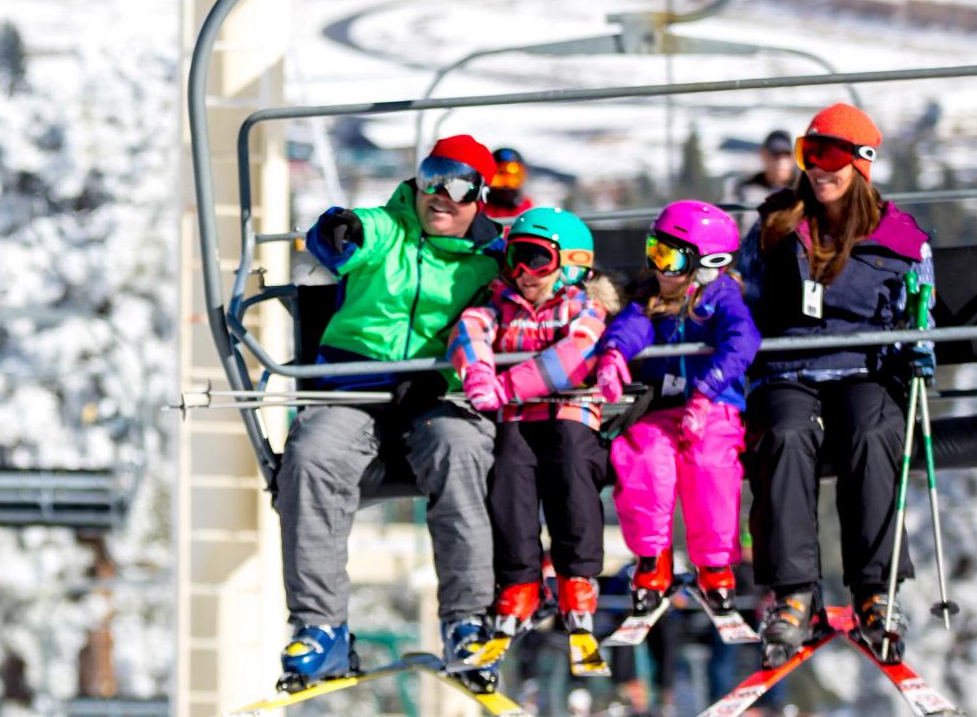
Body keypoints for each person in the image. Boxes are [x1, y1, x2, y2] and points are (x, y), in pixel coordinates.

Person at [276, 135, 506, 689]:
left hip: (439, 394)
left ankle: (467, 622)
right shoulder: (389, 227)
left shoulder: (491, 258)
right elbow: (347, 237)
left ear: (478, 195)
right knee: (309, 458)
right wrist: (339, 230)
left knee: (463, 450)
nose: (439, 196)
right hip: (356, 386)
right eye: (431, 179)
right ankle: (321, 627)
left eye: (455, 185)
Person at [739, 103, 934, 665]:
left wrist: (918, 350)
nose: (818, 169)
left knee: (871, 432)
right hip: (788, 369)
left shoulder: (899, 237)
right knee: (783, 433)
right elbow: (746, 302)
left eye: (830, 156)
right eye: (810, 155)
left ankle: (875, 588)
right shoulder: (776, 224)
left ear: (861, 163)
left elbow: (920, 312)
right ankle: (794, 593)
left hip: (864, 368)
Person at [447, 206, 618, 644]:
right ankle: (519, 582)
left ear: (570, 265)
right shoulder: (499, 302)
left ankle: (576, 578)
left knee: (572, 466)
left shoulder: (585, 306)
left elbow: (576, 356)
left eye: (536, 259)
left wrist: (503, 385)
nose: (523, 272)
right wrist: (478, 373)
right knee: (507, 473)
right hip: (518, 419)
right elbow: (469, 330)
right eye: (514, 258)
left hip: (569, 411)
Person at [593, 200, 761, 617]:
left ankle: (714, 564)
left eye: (668, 257)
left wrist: (707, 393)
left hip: (714, 407)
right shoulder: (653, 295)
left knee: (710, 466)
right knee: (643, 460)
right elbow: (632, 326)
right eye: (654, 251)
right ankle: (652, 560)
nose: (657, 267)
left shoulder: (723, 298)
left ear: (707, 263)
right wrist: (614, 355)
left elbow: (743, 341)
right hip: (661, 409)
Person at [732, 129, 798, 207]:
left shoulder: (806, 189)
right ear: (763, 154)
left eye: (786, 153)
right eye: (775, 154)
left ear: (794, 156)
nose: (781, 160)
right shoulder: (744, 189)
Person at [483, 146, 536, 224]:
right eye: (499, 178)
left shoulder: (530, 214)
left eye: (513, 178)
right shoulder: (478, 211)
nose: (506, 186)